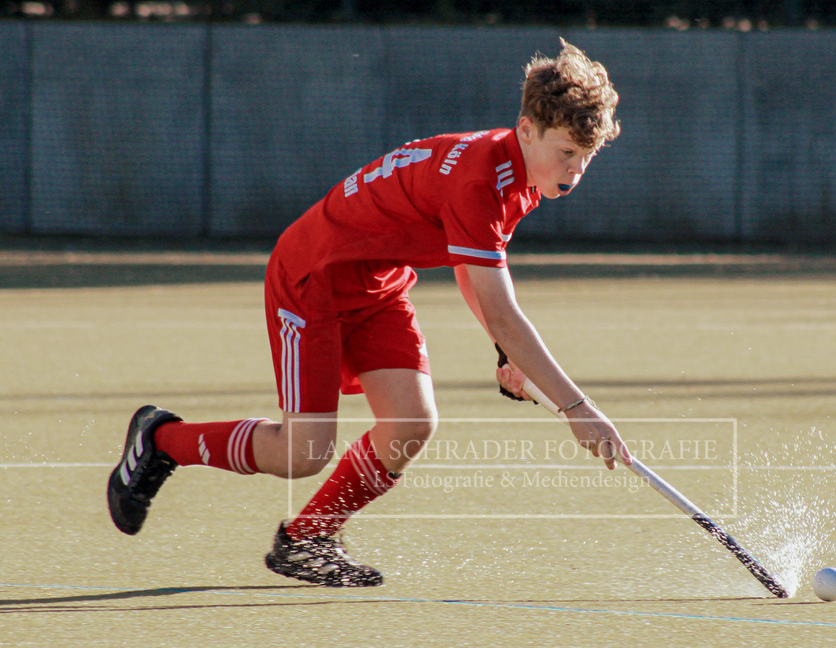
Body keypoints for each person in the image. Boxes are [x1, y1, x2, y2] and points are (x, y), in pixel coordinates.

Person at [107, 38, 631, 587]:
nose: (575, 170)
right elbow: (502, 310)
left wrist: (507, 355)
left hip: (376, 283)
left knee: (410, 423)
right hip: (313, 278)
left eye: (586, 156)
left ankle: (307, 539)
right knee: (302, 452)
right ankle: (159, 439)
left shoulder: (519, 174)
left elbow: (471, 272)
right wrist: (577, 407)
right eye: (566, 152)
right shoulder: (481, 181)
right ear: (527, 129)